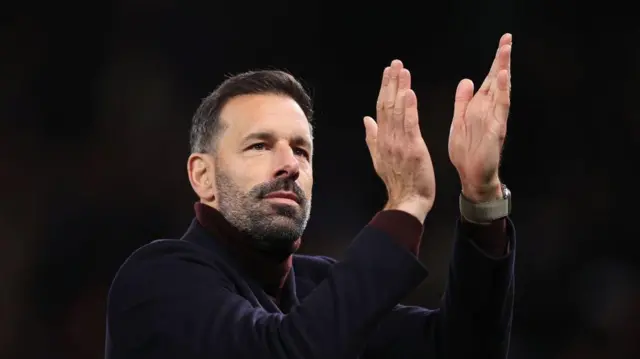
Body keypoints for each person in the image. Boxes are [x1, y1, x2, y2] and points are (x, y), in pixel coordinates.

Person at [105, 33, 516, 359]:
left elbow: (462, 350)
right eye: (259, 146)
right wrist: (406, 205)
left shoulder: (319, 286)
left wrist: (482, 200)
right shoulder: (156, 281)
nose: (290, 164)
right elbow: (286, 351)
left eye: (301, 150)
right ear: (203, 176)